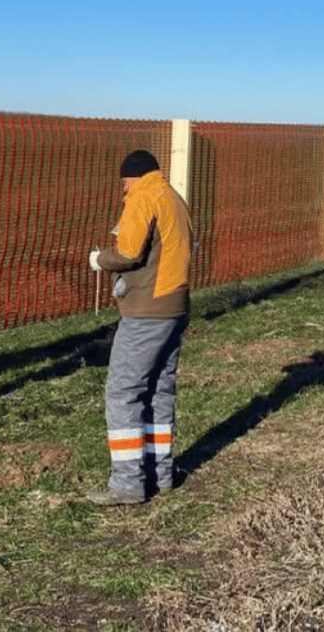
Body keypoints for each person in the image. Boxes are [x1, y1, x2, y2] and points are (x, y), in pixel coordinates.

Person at [87, 149, 192, 505]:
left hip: (146, 311)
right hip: (176, 306)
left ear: (131, 177)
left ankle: (128, 483)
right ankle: (161, 474)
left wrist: (99, 259)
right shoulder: (174, 198)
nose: (123, 190)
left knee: (123, 392)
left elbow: (129, 253)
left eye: (124, 183)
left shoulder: (143, 198)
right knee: (160, 389)